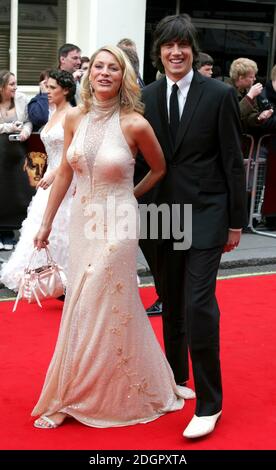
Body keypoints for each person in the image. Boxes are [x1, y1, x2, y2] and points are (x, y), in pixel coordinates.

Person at [31, 45, 186, 429]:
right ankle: (74, 391)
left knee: (89, 298)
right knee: (89, 306)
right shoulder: (74, 119)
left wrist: (127, 198)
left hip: (118, 223)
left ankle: (74, 394)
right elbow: (65, 173)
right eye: (97, 66)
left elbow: (159, 168)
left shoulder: (135, 123)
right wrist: (47, 222)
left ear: (123, 76)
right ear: (88, 73)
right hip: (83, 222)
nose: (103, 73)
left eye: (112, 68)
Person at [136, 14, 247, 438]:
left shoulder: (218, 95)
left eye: (183, 44)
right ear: (159, 51)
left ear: (192, 48)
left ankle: (209, 401)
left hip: (206, 213)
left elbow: (233, 162)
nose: (176, 52)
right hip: (162, 215)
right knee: (172, 300)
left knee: (199, 303)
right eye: (168, 45)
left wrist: (236, 221)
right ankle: (175, 379)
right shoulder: (145, 96)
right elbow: (139, 160)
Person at [1, 70, 75, 291]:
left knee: (63, 226)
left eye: (52, 88)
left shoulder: (73, 114)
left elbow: (73, 152)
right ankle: (38, 274)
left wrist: (54, 173)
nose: (47, 92)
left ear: (66, 90)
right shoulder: (52, 112)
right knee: (39, 224)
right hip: (48, 178)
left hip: (64, 177)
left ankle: (64, 276)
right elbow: (37, 116)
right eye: (47, 87)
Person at [0, 70, 33, 251]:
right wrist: (8, 127)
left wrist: (26, 131)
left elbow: (28, 120)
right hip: (0, 150)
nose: (16, 87)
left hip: (17, 151)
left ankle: (10, 232)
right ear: (1, 87)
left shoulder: (21, 99)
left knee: (16, 191)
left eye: (15, 83)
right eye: (11, 84)